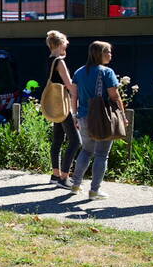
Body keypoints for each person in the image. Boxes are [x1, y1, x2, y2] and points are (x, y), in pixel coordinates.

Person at [66, 41, 127, 199]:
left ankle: (75, 185)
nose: (110, 55)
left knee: (86, 150)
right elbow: (114, 96)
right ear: (100, 53)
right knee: (101, 154)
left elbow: (74, 96)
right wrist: (122, 115)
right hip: (102, 118)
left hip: (83, 116)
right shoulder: (107, 72)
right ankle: (94, 190)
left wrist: (75, 116)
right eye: (108, 52)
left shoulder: (79, 72)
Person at [45, 30, 81, 188]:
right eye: (66, 43)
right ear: (60, 44)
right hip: (63, 105)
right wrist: (79, 96)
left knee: (58, 139)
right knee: (76, 141)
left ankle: (55, 175)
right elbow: (70, 85)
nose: (67, 45)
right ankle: (64, 178)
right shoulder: (59, 62)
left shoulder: (50, 60)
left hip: (54, 105)